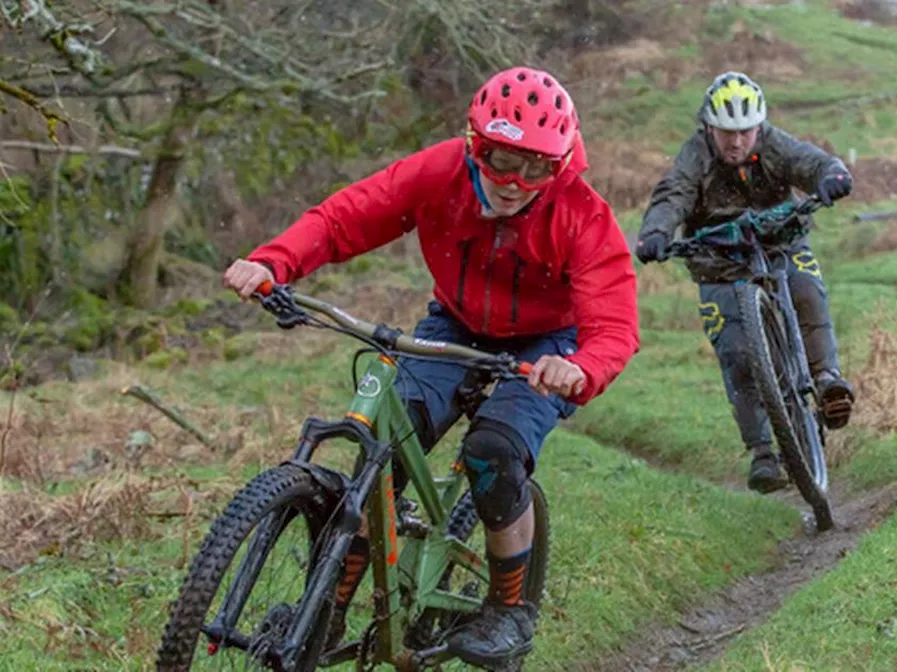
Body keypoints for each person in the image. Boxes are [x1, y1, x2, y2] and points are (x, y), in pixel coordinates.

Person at [222, 67, 640, 669]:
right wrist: (274, 263)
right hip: (455, 326)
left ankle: (508, 609)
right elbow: (348, 217)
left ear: (563, 163)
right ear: (476, 143)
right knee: (384, 445)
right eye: (502, 159)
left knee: (494, 450)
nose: (516, 182)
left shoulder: (580, 213)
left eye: (537, 167)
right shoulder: (440, 172)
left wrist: (582, 367)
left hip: (549, 345)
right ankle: (327, 608)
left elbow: (615, 324)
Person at [634, 71, 855, 494]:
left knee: (807, 291)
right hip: (716, 262)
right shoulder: (696, 155)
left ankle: (827, 379)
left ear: (759, 127)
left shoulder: (774, 144)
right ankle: (762, 453)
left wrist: (833, 175)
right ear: (708, 128)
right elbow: (673, 193)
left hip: (780, 245)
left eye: (745, 132)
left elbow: (810, 162)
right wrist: (657, 232)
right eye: (725, 133)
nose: (735, 142)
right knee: (735, 352)